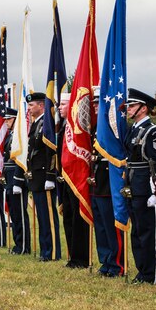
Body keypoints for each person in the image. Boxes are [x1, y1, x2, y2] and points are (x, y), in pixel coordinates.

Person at [124, 88, 156, 284]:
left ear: (143, 108)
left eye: (132, 106)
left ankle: (150, 273)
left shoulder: (152, 131)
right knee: (137, 230)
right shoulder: (134, 129)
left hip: (144, 186)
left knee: (146, 230)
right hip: (132, 184)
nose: (128, 109)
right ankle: (142, 270)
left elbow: (154, 162)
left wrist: (155, 189)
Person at [90, 87, 125, 277]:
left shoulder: (113, 126)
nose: (95, 106)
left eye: (98, 102)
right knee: (101, 227)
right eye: (94, 103)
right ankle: (106, 261)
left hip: (109, 181)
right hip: (97, 182)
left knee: (112, 226)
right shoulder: (97, 127)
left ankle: (117, 264)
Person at [26, 92, 60, 261]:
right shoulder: (36, 124)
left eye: (32, 105)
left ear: (41, 105)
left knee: (48, 217)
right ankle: (45, 250)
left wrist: (50, 176)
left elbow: (51, 151)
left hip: (44, 176)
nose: (29, 108)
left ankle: (52, 251)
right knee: (42, 217)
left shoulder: (47, 123)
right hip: (36, 178)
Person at [59, 93, 89, 269]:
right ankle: (72, 255)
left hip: (78, 176)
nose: (60, 107)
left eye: (63, 104)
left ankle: (81, 258)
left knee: (78, 219)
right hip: (66, 177)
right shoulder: (62, 126)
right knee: (68, 216)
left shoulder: (77, 125)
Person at [3, 108, 31, 254]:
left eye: (9, 119)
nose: (6, 122)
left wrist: (18, 181)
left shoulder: (19, 136)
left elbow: (20, 159)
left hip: (16, 179)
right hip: (9, 180)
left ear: (15, 119)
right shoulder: (10, 136)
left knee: (20, 214)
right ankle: (18, 244)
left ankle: (24, 246)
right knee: (14, 214)